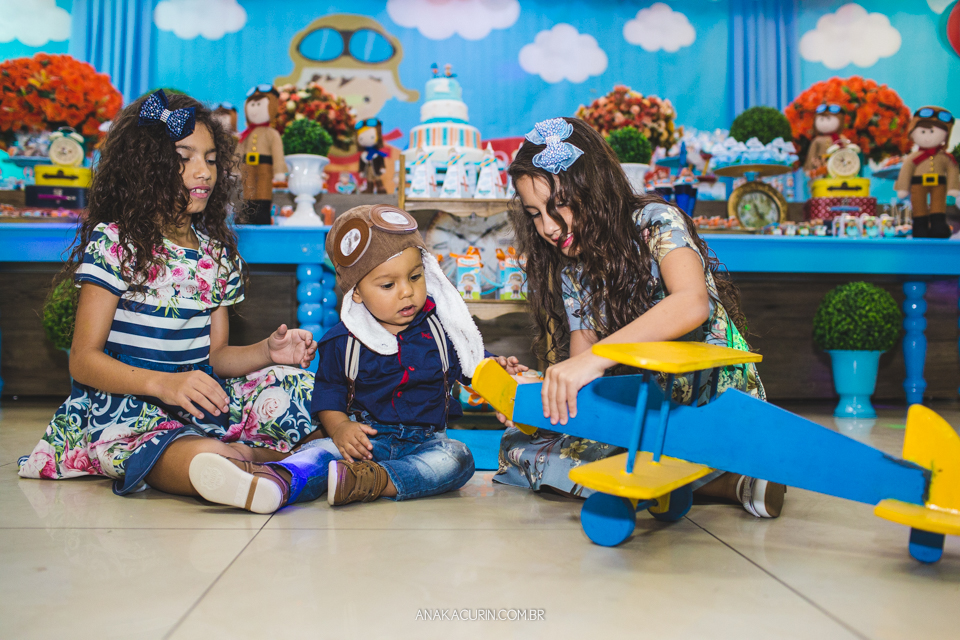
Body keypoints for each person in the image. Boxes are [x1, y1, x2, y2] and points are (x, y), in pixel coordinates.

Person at [17, 91, 319, 500]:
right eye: (185, 157)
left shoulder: (216, 253)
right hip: (128, 406)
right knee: (195, 451)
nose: (204, 172)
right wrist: (163, 384)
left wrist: (268, 351)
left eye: (211, 159)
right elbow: (83, 359)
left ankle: (247, 462)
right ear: (146, 166)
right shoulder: (115, 244)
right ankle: (253, 464)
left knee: (303, 387)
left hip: (198, 402)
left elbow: (217, 357)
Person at [494, 117, 785, 518]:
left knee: (589, 455)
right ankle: (729, 483)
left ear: (591, 187)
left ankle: (673, 474)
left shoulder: (656, 221)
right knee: (515, 446)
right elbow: (583, 369)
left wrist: (594, 359)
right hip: (646, 403)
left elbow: (692, 302)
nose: (547, 226)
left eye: (558, 205)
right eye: (534, 213)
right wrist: (534, 395)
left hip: (710, 396)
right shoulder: (571, 271)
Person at [189, 205, 526, 513]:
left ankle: (372, 481)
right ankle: (273, 482)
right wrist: (340, 429)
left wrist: (496, 369)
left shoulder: (441, 329)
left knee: (458, 460)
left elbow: (473, 363)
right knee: (318, 454)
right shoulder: (343, 340)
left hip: (427, 443)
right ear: (359, 293)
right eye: (388, 284)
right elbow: (328, 395)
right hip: (364, 441)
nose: (406, 292)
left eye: (414, 277)